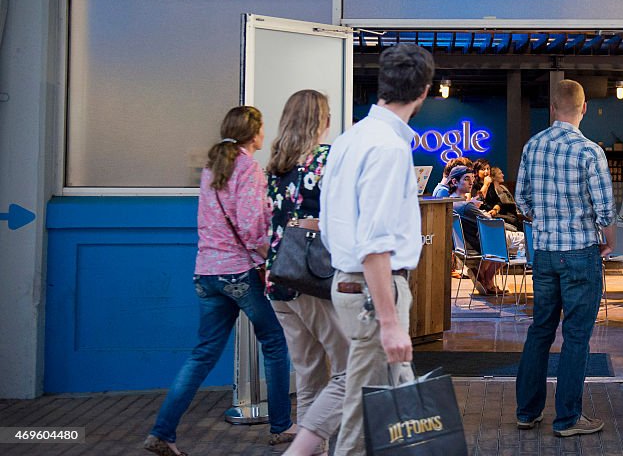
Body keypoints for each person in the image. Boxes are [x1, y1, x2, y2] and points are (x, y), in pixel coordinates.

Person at [144, 106, 294, 456]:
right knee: (273, 342)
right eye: (261, 129)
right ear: (253, 133)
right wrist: (268, 256)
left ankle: (162, 432)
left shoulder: (213, 168)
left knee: (202, 354)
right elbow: (251, 226)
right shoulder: (248, 168)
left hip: (206, 272)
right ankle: (282, 427)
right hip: (239, 272)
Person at [318, 43, 435, 456]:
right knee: (364, 416)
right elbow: (375, 243)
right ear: (423, 91)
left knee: (390, 409)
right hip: (374, 292)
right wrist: (389, 321)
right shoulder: (387, 147)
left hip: (353, 287)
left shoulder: (351, 139)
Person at [514, 79, 617, 438]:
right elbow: (605, 208)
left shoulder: (533, 146)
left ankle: (527, 412)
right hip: (580, 253)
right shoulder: (590, 151)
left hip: (544, 253)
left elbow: (521, 200)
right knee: (576, 336)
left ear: (552, 108)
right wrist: (608, 240)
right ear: (584, 108)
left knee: (540, 331)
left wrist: (543, 219)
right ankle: (568, 419)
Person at [264, 90, 348, 456]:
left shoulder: (275, 165)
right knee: (350, 372)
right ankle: (318, 449)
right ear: (321, 121)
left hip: (278, 278)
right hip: (314, 278)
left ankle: (311, 450)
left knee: (310, 375)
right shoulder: (327, 160)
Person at [443, 165, 523, 295]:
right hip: (485, 243)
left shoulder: (450, 203)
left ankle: (483, 275)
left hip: (470, 244)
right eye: (467, 179)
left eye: (472, 179)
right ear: (454, 182)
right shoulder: (466, 206)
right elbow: (490, 224)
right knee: (526, 240)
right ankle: (487, 278)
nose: (471, 182)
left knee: (503, 239)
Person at [484, 166, 527, 231]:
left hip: (514, 213)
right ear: (493, 177)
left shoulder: (503, 187)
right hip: (505, 215)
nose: (503, 175)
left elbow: (512, 201)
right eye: (500, 173)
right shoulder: (492, 190)